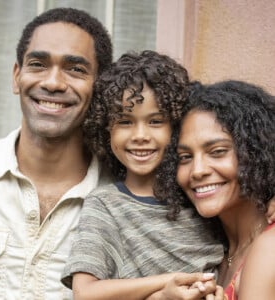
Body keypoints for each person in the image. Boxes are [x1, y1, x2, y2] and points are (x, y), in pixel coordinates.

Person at [61, 50, 225, 300]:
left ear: (176, 126)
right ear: (106, 128)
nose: (140, 135)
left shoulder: (202, 194)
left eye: (156, 121)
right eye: (125, 122)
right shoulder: (105, 205)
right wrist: (168, 284)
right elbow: (85, 293)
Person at [0, 7, 112, 299]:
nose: (52, 83)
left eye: (76, 69)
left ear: (100, 86)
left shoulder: (121, 199)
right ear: (16, 75)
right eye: (38, 64)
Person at [170, 80, 275, 299]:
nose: (197, 171)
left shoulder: (269, 248)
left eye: (217, 151)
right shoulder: (217, 252)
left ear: (255, 152)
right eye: (185, 157)